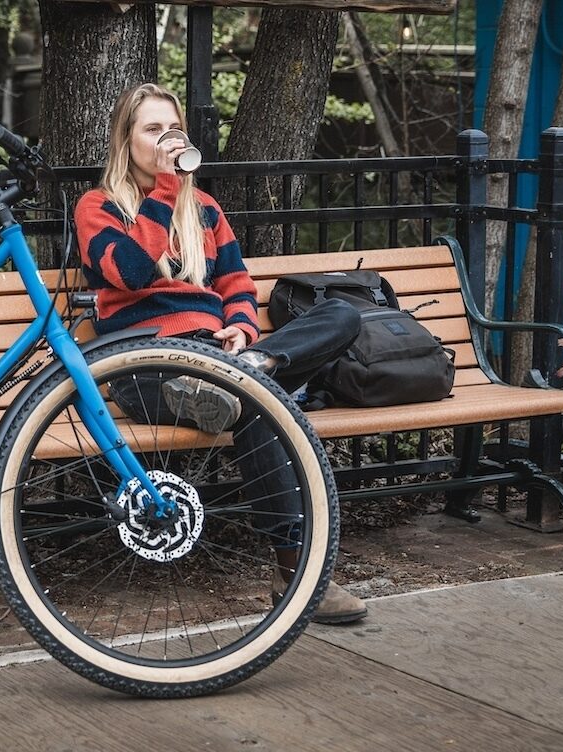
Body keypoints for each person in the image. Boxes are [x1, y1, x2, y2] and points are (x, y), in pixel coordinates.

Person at [73, 82, 367, 624]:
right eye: (152, 129)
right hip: (145, 363)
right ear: (126, 140)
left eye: (172, 129)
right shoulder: (99, 207)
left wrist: (242, 331)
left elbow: (235, 281)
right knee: (258, 401)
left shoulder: (204, 209)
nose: (166, 139)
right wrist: (165, 189)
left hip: (217, 354)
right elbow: (132, 273)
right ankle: (299, 572)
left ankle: (255, 366)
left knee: (342, 316)